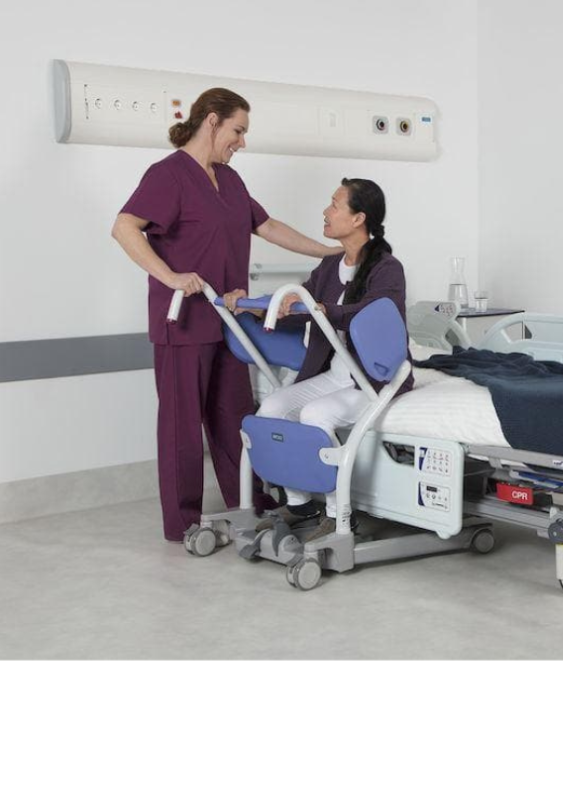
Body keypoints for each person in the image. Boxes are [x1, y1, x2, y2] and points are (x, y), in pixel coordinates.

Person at [112, 87, 341, 542]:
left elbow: (267, 226)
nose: (242, 141)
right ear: (212, 120)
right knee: (181, 427)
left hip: (232, 323)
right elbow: (124, 227)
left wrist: (331, 253)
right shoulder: (169, 175)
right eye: (238, 130)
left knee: (236, 417)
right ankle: (184, 523)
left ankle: (253, 504)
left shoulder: (230, 181)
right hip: (183, 323)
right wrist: (172, 276)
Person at [222, 178, 413, 542]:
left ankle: (337, 513)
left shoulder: (388, 268)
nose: (326, 212)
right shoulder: (329, 267)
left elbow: (371, 313)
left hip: (370, 378)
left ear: (358, 218)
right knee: (273, 408)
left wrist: (325, 310)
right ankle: (299, 505)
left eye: (335, 205)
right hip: (333, 374)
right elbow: (298, 306)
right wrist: (252, 305)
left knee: (314, 415)